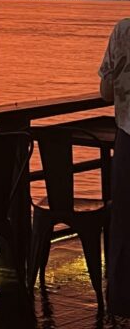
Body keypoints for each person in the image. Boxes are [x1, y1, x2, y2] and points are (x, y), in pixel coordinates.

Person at [99, 18, 130, 316]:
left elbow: (106, 92)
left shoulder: (123, 31)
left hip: (127, 138)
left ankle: (122, 301)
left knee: (123, 221)